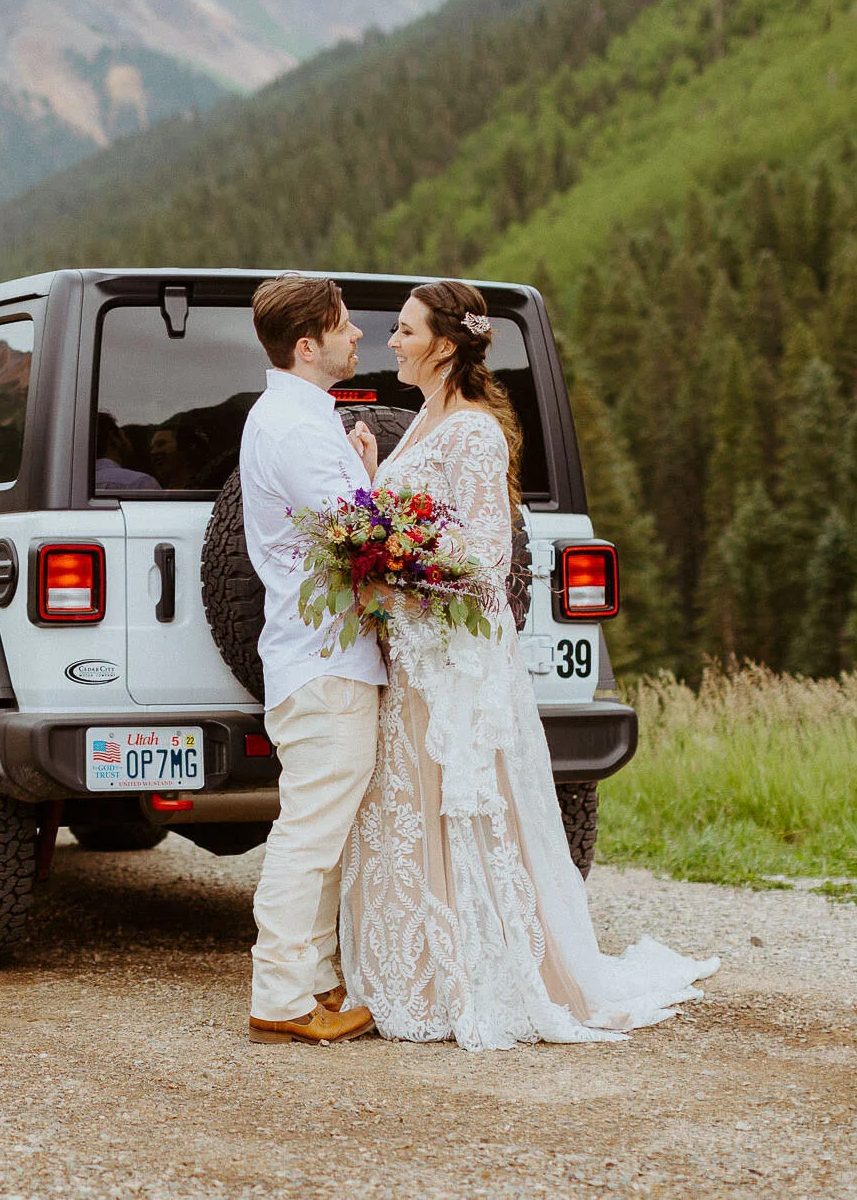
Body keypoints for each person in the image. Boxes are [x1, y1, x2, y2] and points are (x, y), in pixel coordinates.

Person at [339, 280, 717, 1050]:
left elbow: (483, 554)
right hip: (413, 651)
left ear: (444, 344)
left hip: (449, 657)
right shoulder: (420, 423)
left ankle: (481, 977)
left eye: (405, 331)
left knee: (459, 811)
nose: (392, 342)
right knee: (411, 812)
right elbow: (412, 516)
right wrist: (372, 474)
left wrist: (397, 575)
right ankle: (414, 974)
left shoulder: (474, 433)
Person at [239, 274, 389, 1045]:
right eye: (343, 324)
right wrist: (371, 482)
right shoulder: (294, 428)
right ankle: (281, 994)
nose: (358, 333)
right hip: (322, 657)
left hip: (323, 654)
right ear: (308, 345)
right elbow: (358, 535)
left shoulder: (300, 416)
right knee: (308, 829)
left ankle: (319, 980)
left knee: (323, 826)